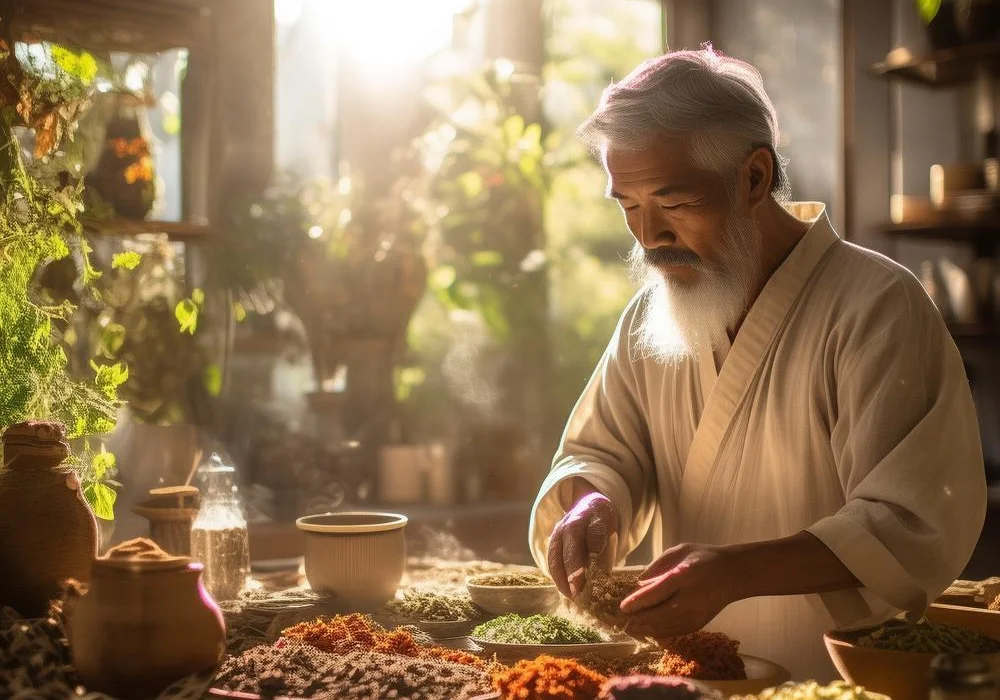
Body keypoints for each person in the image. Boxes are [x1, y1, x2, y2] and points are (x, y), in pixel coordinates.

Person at [528, 46, 987, 679]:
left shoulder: (877, 304)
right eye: (628, 205)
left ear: (754, 177)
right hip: (690, 678)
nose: (649, 235)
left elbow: (910, 519)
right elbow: (603, 453)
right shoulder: (648, 318)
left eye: (675, 202)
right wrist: (591, 502)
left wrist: (739, 572)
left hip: (833, 678)